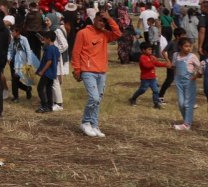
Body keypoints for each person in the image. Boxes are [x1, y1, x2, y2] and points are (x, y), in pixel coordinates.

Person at [71, 8, 121, 137]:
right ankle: (85, 122)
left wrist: (109, 18)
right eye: (100, 21)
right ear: (94, 20)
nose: (102, 23)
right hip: (88, 71)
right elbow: (76, 52)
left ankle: (94, 124)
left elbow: (117, 34)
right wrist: (77, 69)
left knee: (98, 100)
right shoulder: (83, 33)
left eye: (104, 22)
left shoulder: (105, 34)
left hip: (102, 71)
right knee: (94, 97)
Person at [171, 37, 201, 131]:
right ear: (180, 46)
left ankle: (187, 124)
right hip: (179, 82)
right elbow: (174, 66)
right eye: (186, 46)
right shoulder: (175, 55)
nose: (188, 48)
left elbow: (201, 67)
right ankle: (187, 121)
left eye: (190, 46)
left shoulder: (192, 56)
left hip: (189, 83)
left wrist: (195, 76)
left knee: (187, 103)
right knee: (181, 103)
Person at [129, 41, 168, 108]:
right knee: (142, 90)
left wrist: (165, 65)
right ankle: (133, 98)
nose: (151, 51)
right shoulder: (142, 57)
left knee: (156, 90)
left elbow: (157, 63)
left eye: (151, 49)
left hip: (153, 78)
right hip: (145, 78)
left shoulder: (151, 57)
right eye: (149, 49)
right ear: (143, 50)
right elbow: (147, 66)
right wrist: (153, 61)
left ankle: (156, 103)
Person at [35, 31, 59, 113]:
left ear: (48, 39)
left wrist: (42, 71)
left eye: (45, 39)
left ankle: (44, 106)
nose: (44, 40)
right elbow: (57, 59)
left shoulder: (49, 49)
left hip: (47, 72)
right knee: (48, 89)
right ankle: (49, 106)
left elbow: (49, 61)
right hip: (52, 73)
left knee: (40, 88)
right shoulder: (55, 48)